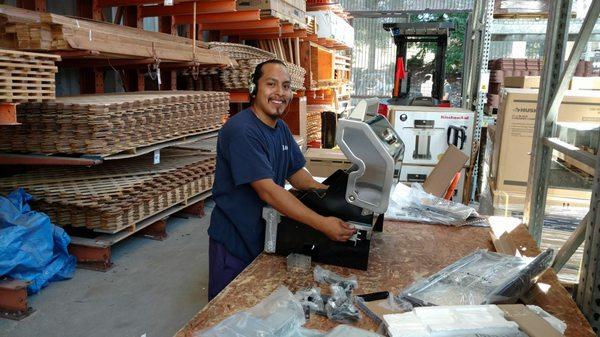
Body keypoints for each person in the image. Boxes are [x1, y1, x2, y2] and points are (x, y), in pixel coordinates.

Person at [207, 59, 356, 300]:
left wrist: (336, 196)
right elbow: (269, 192)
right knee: (226, 312)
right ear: (254, 88)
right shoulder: (242, 131)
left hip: (261, 233)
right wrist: (322, 223)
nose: (280, 92)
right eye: (271, 84)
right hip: (234, 239)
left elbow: (298, 176)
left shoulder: (280, 129)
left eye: (286, 86)